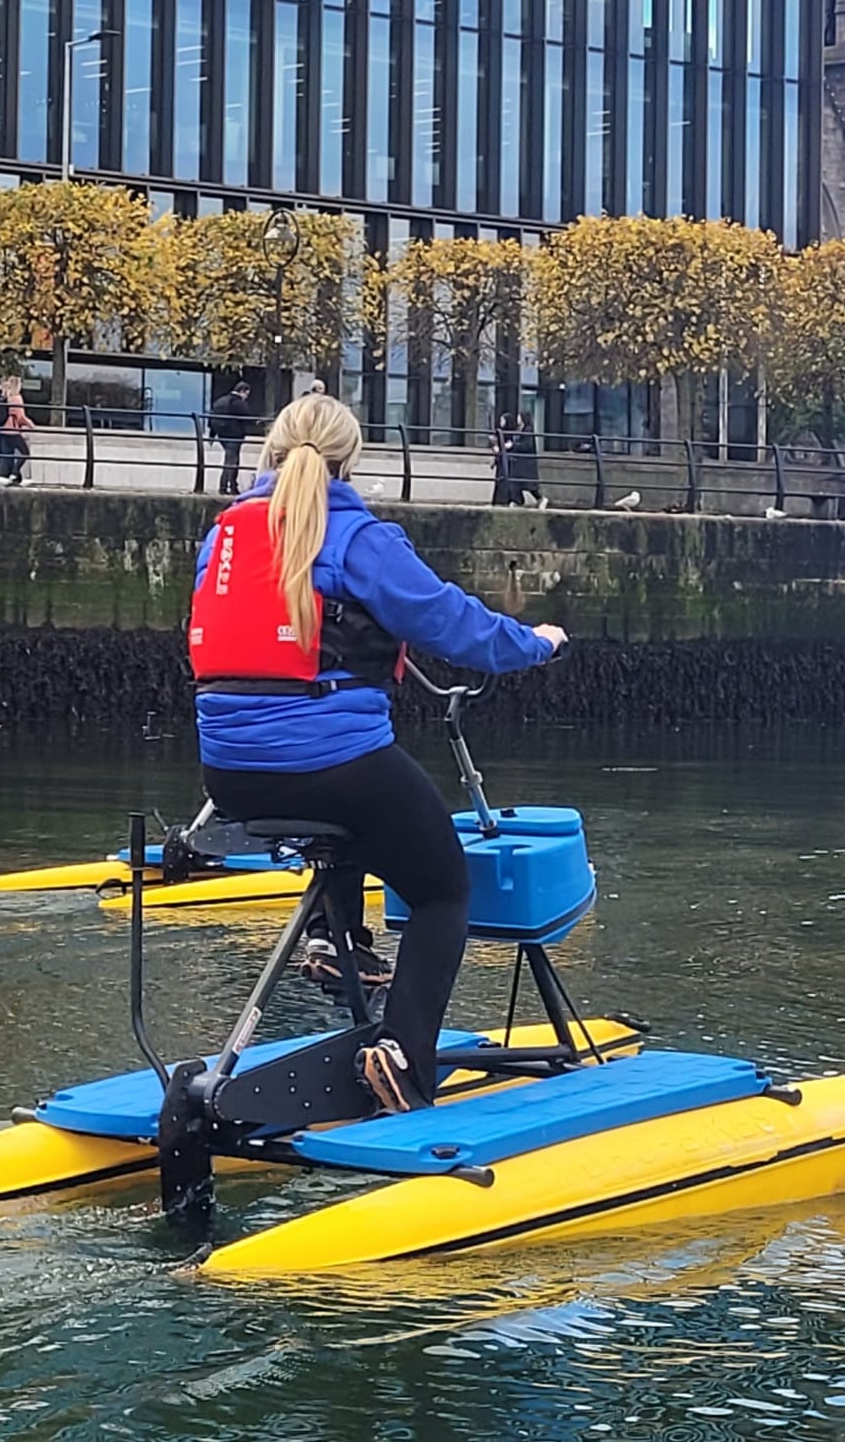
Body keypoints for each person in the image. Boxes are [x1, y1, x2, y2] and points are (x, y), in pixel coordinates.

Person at [188, 394, 567, 1115]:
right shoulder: (359, 537)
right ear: (349, 459)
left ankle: (341, 941)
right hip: (332, 766)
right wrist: (536, 644)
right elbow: (453, 624)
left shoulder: (225, 535)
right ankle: (402, 1055)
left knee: (355, 811)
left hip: (228, 770)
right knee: (441, 889)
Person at [210, 379, 256, 494]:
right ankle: (228, 487)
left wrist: (212, 435)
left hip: (222, 435)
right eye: (246, 394)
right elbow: (247, 418)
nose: (246, 397)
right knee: (232, 461)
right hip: (234, 435)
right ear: (242, 391)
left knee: (229, 459)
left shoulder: (221, 401)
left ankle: (226, 486)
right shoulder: (238, 403)